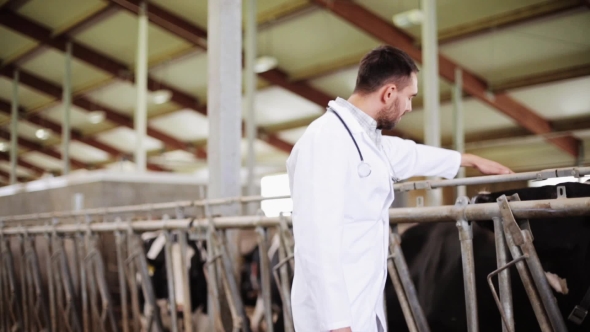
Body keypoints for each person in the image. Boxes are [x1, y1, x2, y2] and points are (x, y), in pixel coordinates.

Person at [286, 45, 513, 332]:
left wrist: (467, 160)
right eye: (410, 97)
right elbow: (316, 241)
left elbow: (412, 154)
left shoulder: (366, 139)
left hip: (363, 305)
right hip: (333, 319)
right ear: (389, 92)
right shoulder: (324, 140)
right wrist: (338, 324)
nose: (408, 107)